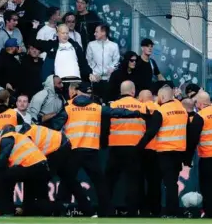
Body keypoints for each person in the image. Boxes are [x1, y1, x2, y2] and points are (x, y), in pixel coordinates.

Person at [58, 81, 149, 217]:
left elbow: (55, 124)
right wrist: (136, 113)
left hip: (74, 150)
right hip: (90, 150)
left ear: (77, 92)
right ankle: (106, 211)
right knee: (100, 184)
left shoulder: (68, 107)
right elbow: (117, 112)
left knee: (67, 180)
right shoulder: (97, 108)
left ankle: (61, 208)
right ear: (90, 93)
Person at [105, 81, 152, 217]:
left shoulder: (112, 105)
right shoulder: (142, 106)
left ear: (121, 91)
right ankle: (132, 212)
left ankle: (106, 210)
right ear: (133, 91)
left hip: (115, 147)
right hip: (134, 148)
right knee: (133, 181)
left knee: (109, 180)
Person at [0, 127, 52, 216]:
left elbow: (2, 158)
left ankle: (7, 211)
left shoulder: (6, 138)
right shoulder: (19, 137)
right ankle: (46, 215)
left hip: (30, 166)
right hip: (43, 166)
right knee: (38, 194)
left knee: (3, 179)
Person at [186, 91, 212, 218]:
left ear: (199, 103)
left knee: (207, 187)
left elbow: (193, 139)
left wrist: (187, 159)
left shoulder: (200, 116)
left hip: (208, 155)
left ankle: (209, 214)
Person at [155, 85, 188, 217]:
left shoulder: (161, 110)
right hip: (179, 151)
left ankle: (170, 212)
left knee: (166, 183)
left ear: (162, 97)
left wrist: (139, 146)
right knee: (172, 183)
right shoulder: (182, 109)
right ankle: (174, 210)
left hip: (165, 151)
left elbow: (152, 131)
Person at [138, 89, 162, 217]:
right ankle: (156, 210)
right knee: (155, 183)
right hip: (157, 149)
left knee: (139, 181)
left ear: (140, 98)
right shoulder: (159, 108)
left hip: (141, 149)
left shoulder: (139, 107)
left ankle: (143, 210)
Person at [86, 24, 120, 102]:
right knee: (95, 103)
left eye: (96, 32)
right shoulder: (91, 45)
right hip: (95, 80)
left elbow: (116, 60)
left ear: (103, 32)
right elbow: (88, 60)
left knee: (108, 103)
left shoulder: (114, 46)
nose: (94, 34)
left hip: (109, 80)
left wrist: (111, 68)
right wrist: (94, 72)